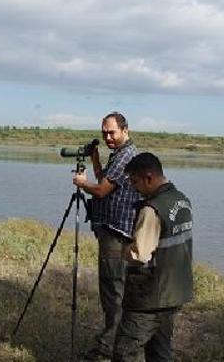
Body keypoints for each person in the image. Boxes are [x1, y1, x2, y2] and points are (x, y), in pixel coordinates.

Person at [112, 152, 193, 362]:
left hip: (150, 297)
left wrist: (120, 250)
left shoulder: (151, 209)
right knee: (160, 352)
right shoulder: (181, 200)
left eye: (134, 181)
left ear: (149, 177)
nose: (133, 187)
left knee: (124, 352)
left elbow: (140, 254)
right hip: (174, 291)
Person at [73, 112, 140, 361]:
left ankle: (107, 348)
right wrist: (95, 159)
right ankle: (114, 344)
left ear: (125, 129)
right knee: (111, 291)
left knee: (114, 293)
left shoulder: (126, 156)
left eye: (112, 132)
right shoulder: (119, 155)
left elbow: (101, 190)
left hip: (117, 234)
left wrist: (82, 184)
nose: (108, 137)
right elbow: (105, 181)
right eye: (104, 133)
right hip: (112, 232)